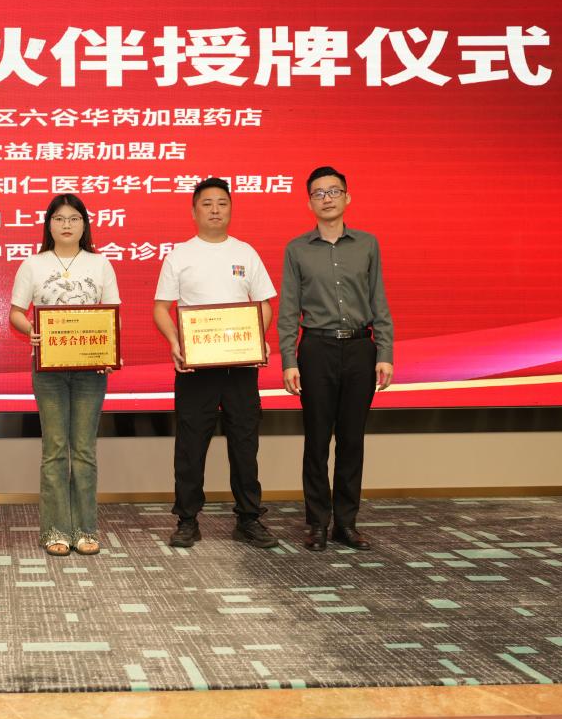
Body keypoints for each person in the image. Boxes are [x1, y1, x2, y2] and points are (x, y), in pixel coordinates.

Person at [152, 177, 278, 550]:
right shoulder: (180, 255)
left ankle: (249, 518)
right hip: (196, 368)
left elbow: (264, 303)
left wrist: (258, 337)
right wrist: (176, 343)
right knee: (191, 445)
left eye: (222, 203)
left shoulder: (245, 253)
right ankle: (187, 519)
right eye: (207, 203)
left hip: (240, 366)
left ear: (231, 209)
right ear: (194, 211)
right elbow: (161, 308)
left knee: (245, 443)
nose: (215, 210)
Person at [278, 167, 394, 552]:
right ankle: (316, 523)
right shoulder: (297, 249)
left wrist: (385, 352)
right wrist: (289, 359)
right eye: (318, 193)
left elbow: (379, 301)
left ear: (347, 197)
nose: (326, 198)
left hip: (361, 349)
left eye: (333, 191)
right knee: (316, 439)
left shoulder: (367, 244)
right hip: (316, 349)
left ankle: (346, 523)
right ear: (309, 202)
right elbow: (288, 310)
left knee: (351, 439)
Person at [9, 194, 119, 556]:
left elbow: (112, 315)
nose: (67, 225)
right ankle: (55, 529)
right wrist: (31, 330)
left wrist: (108, 350)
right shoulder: (33, 264)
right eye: (59, 218)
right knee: (55, 449)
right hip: (49, 370)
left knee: (84, 450)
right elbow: (15, 312)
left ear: (84, 224)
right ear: (49, 225)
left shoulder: (100, 263)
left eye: (74, 218)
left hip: (91, 369)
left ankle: (86, 529)